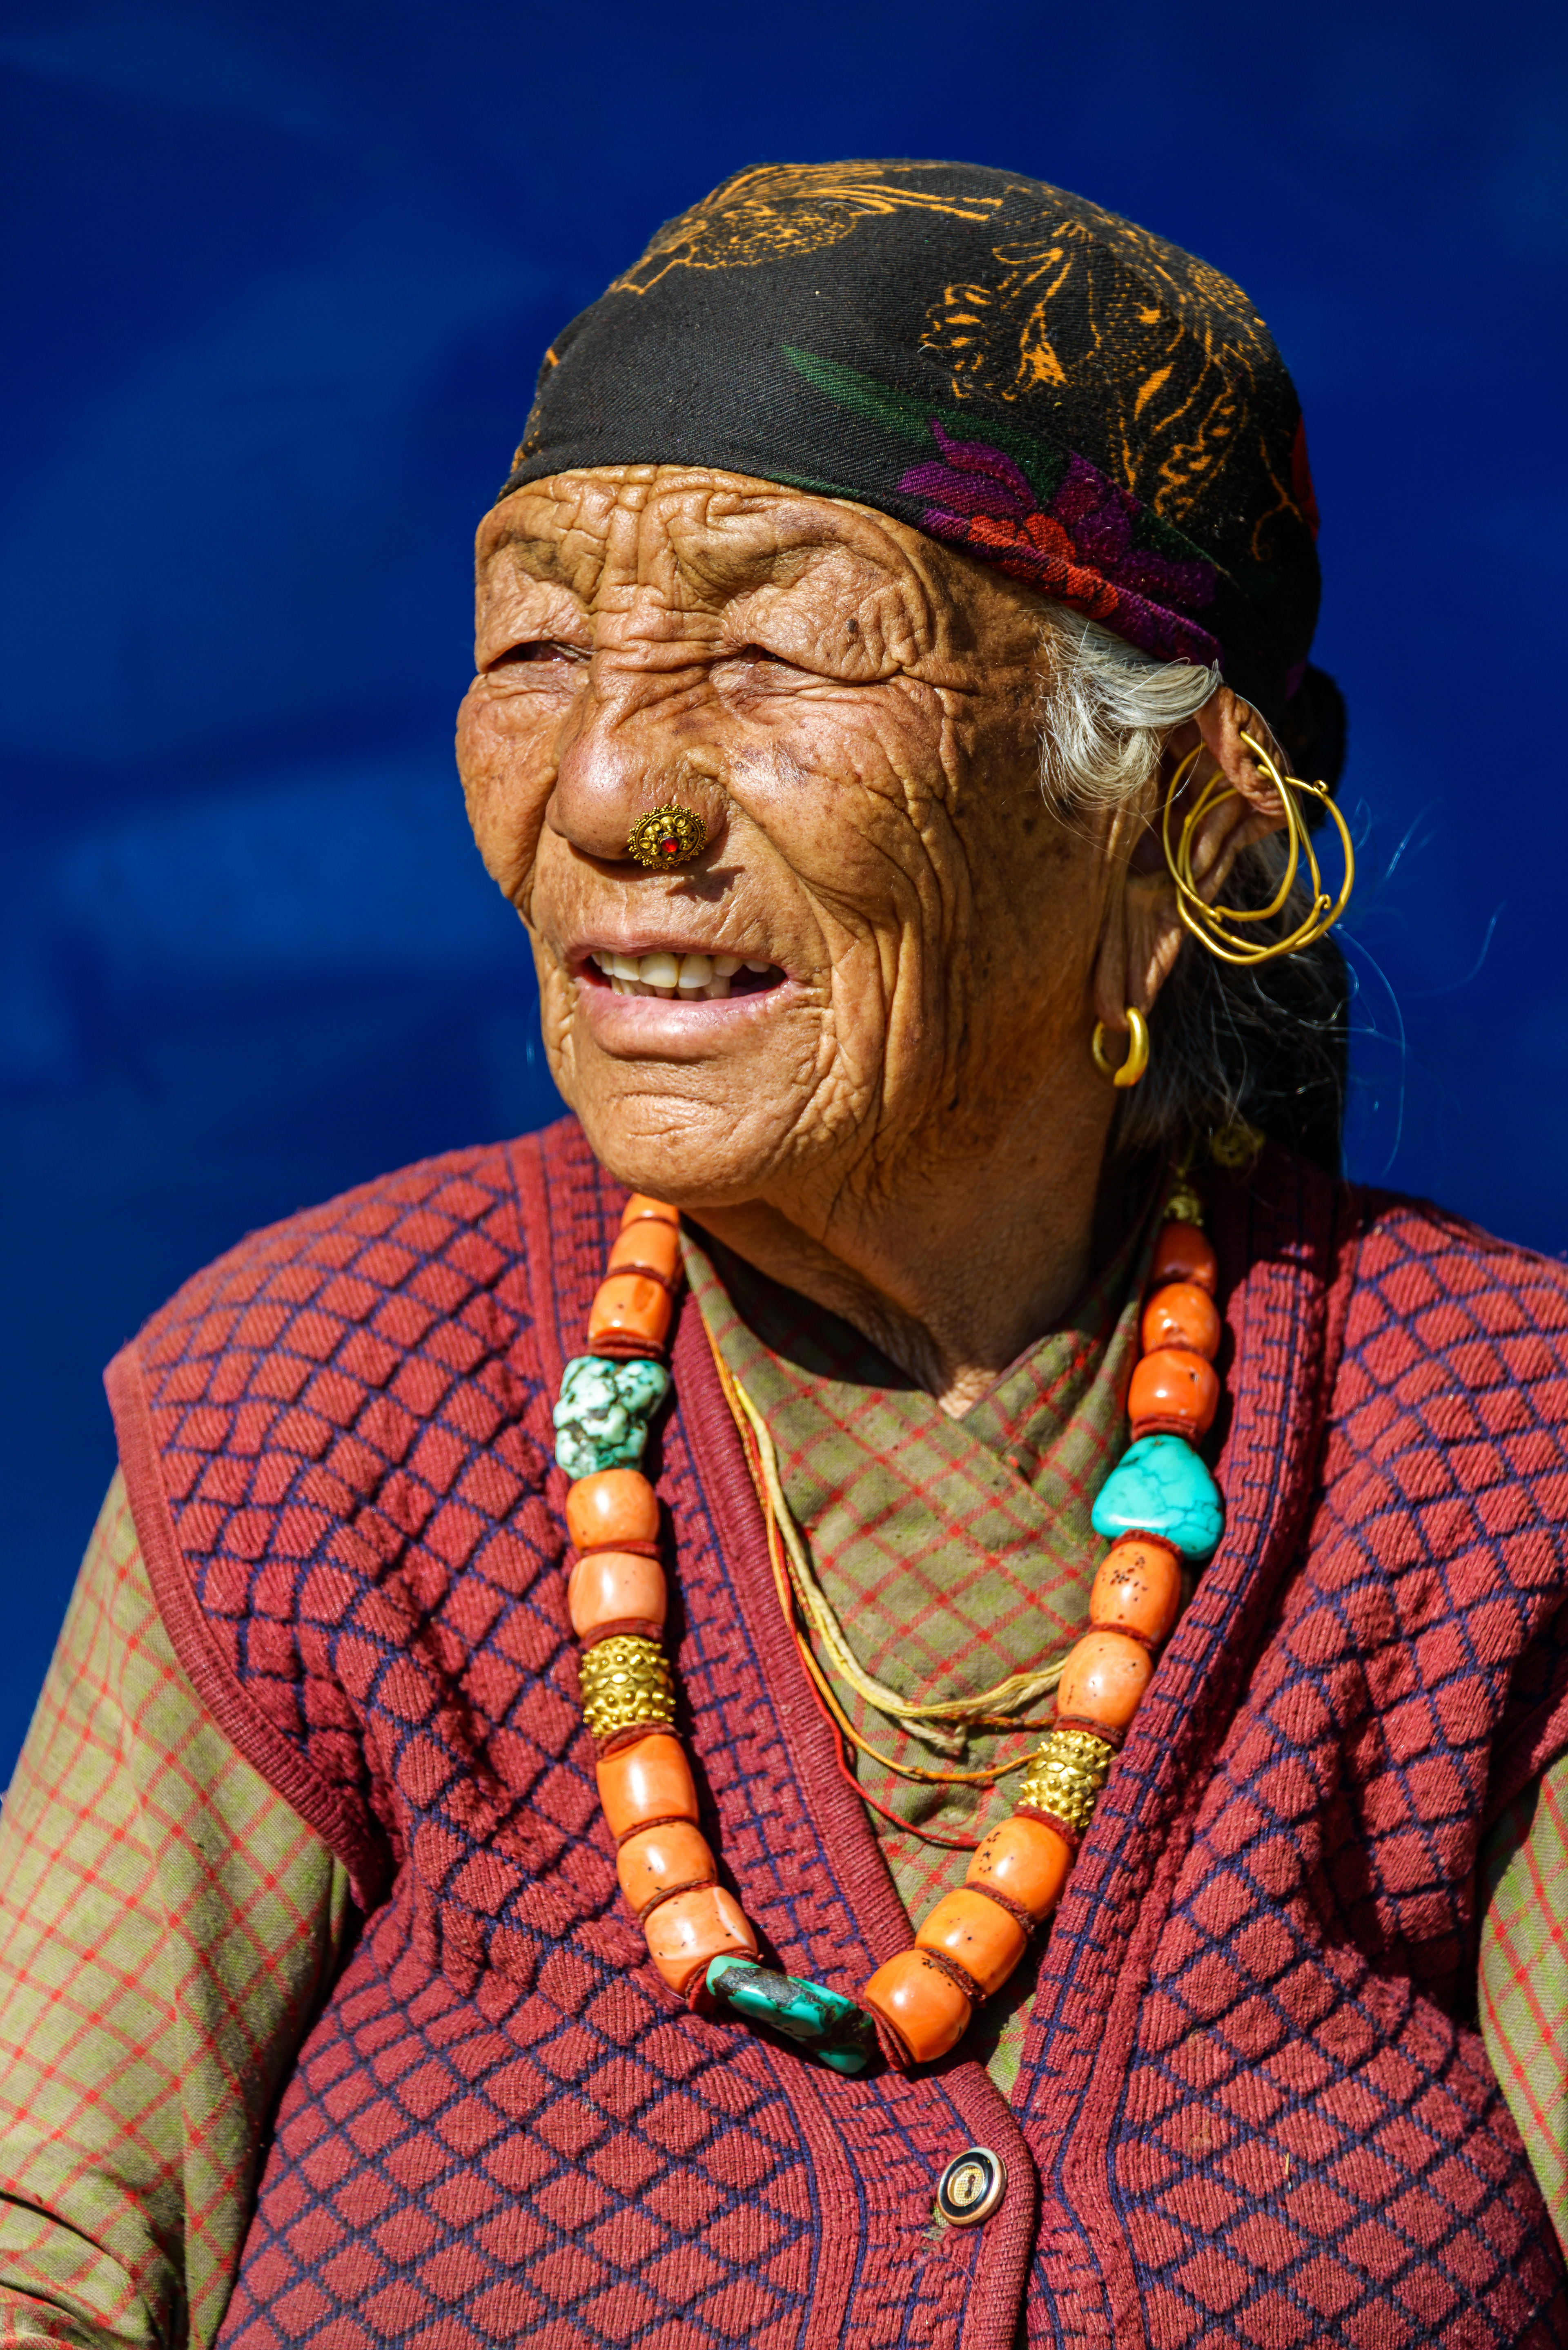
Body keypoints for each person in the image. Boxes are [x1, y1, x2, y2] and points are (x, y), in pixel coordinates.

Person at [1, 160, 1565, 2350]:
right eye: (537, 647)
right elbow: (47, 2256)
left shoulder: (1496, 1460)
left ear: (1185, 822)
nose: (607, 789)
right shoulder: (317, 1411)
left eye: (774, 647)